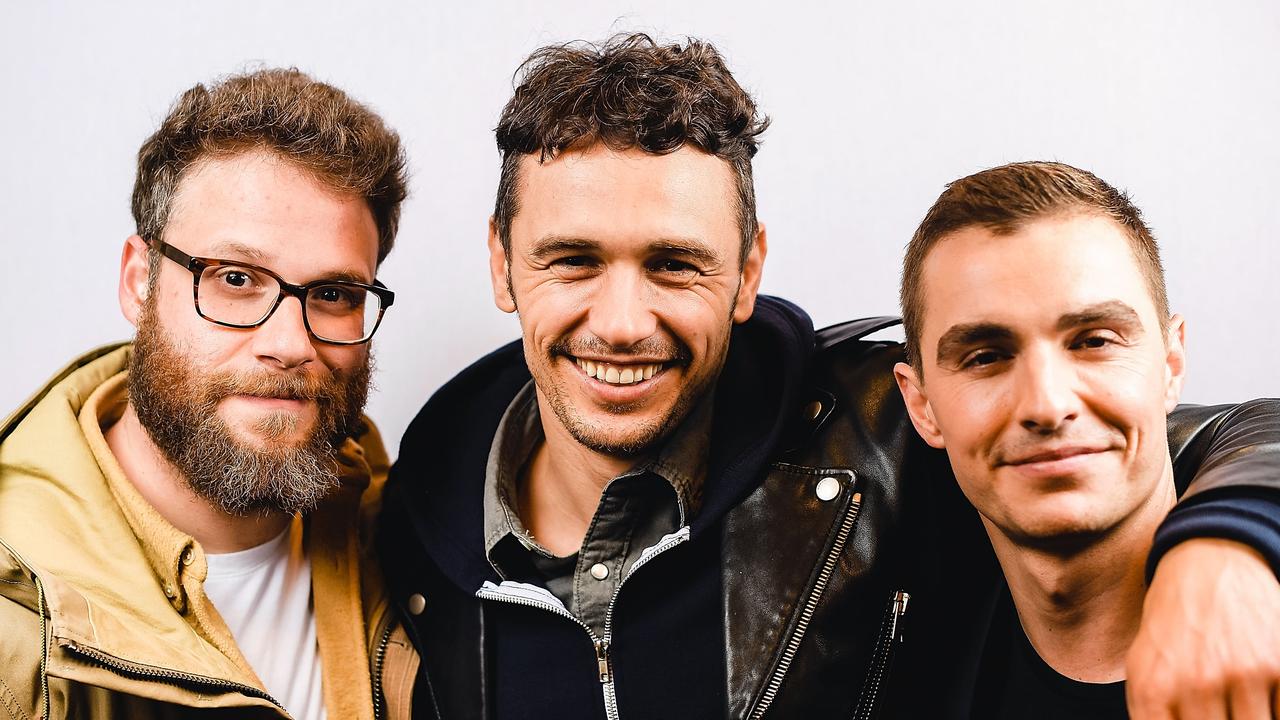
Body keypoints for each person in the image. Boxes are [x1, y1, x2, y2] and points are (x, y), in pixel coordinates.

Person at [380, 34, 1280, 719]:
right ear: (501, 264)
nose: (622, 323)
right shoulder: (416, 532)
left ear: (748, 271)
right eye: (571, 260)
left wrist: (1228, 553)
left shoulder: (877, 433)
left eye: (675, 265)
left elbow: (1222, 433)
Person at [0, 69, 418, 719]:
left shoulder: (405, 544)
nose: (289, 343)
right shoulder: (15, 618)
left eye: (333, 294)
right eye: (235, 278)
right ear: (139, 284)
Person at [890, 161, 1280, 719]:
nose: (1047, 405)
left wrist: (1236, 545)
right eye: (986, 357)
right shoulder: (887, 649)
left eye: (1094, 341)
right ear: (921, 405)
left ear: (1171, 363)